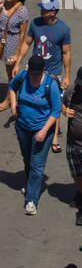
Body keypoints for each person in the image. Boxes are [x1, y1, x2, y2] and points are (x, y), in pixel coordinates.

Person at [9, 53, 63, 213]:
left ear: (43, 71)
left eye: (37, 73)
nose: (34, 76)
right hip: (23, 127)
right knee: (27, 160)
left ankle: (31, 200)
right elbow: (12, 87)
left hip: (42, 130)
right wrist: (13, 105)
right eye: (32, 72)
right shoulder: (22, 77)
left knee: (37, 166)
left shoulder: (50, 84)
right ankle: (31, 185)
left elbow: (55, 111)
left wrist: (45, 131)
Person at [19, 0, 72, 99]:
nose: (41, 10)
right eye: (42, 8)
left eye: (44, 9)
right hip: (34, 67)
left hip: (53, 71)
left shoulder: (64, 29)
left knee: (51, 99)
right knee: (29, 94)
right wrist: (18, 63)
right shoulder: (35, 23)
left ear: (52, 12)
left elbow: (66, 53)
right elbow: (26, 43)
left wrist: (67, 76)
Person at [0, 0, 29, 109]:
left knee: (10, 72)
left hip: (12, 42)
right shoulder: (2, 3)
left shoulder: (22, 10)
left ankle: (8, 100)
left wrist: (17, 53)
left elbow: (22, 34)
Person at [62, 67, 82, 224]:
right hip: (73, 143)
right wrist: (65, 110)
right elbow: (62, 103)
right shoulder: (72, 91)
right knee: (76, 173)